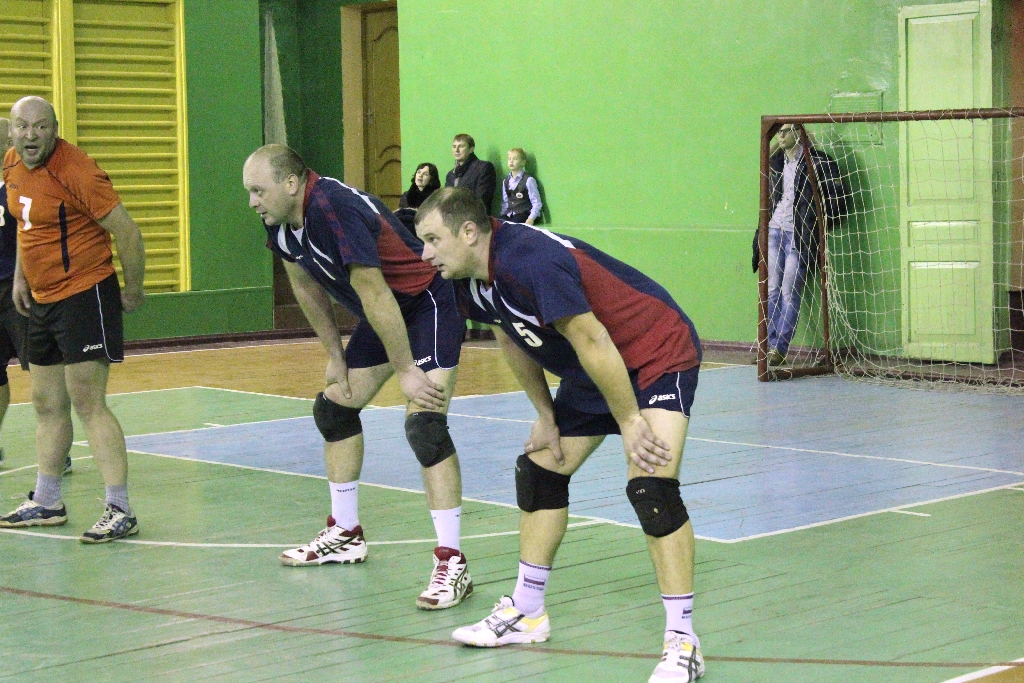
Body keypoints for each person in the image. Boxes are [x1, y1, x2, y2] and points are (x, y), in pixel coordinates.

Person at [415, 188, 706, 683]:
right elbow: (510, 334)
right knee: (540, 470)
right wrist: (545, 413)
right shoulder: (471, 278)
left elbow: (592, 337)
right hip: (596, 366)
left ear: (468, 232)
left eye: (432, 239)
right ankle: (528, 612)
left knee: (651, 487)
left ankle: (683, 641)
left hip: (655, 352)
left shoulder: (530, 261)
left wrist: (630, 420)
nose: (425, 254)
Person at [242, 144, 474, 610]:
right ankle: (346, 533)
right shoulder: (281, 222)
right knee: (334, 409)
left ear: (291, 183)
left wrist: (406, 370)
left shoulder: (334, 209)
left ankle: (453, 562)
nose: (253, 202)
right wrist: (334, 353)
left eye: (258, 191)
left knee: (424, 426)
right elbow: (304, 284)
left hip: (425, 304)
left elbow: (374, 291)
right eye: (249, 192)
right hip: (383, 312)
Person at [0, 96, 146, 542]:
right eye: (22, 126)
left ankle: (120, 509)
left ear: (55, 129)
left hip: (85, 293)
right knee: (46, 402)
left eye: (41, 126)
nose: (30, 135)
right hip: (41, 298)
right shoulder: (11, 164)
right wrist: (22, 278)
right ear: (11, 131)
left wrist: (133, 289)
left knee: (87, 401)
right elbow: (26, 225)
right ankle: (47, 500)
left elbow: (127, 231)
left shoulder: (77, 170)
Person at [753, 124, 847, 366]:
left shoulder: (819, 162)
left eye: (786, 131)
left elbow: (838, 200)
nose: (781, 135)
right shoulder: (775, 161)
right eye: (779, 132)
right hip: (774, 230)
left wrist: (816, 222)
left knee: (789, 291)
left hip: (800, 234)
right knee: (771, 288)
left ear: (799, 132)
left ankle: (780, 348)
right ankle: (768, 346)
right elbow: (769, 199)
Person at [444, 134, 496, 214]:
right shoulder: (450, 175)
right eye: (454, 146)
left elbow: (482, 201)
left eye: (461, 146)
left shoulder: (483, 167)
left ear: (471, 149)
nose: (456, 150)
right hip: (452, 219)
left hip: (475, 218)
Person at [499, 148, 542, 225]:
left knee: (513, 225)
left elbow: (536, 202)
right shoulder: (506, 181)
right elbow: (505, 202)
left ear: (523, 162)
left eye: (515, 159)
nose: (511, 161)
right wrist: (502, 215)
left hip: (524, 213)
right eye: (509, 159)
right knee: (498, 224)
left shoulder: (528, 180)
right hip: (510, 214)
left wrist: (531, 218)